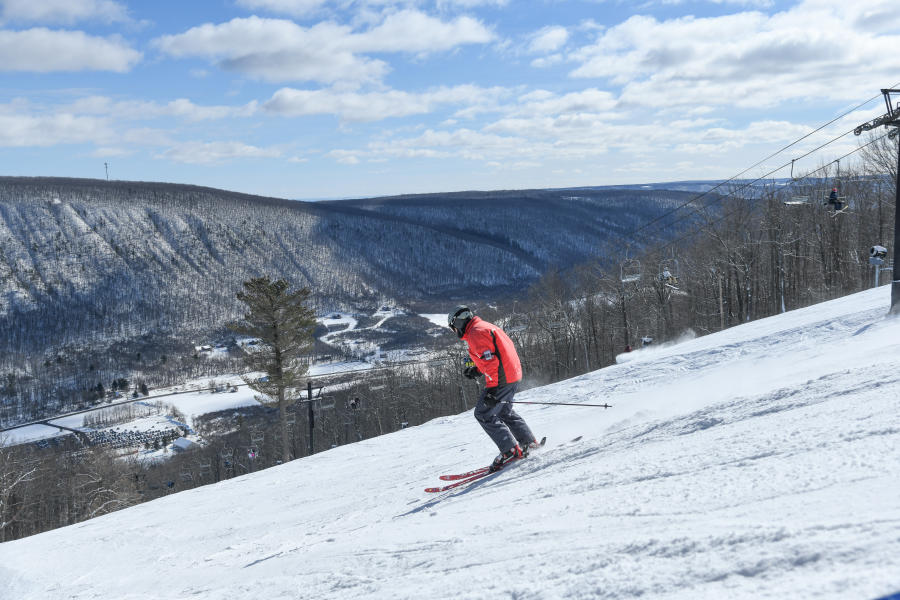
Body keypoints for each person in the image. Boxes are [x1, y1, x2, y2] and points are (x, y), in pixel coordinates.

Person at [448, 305, 540, 472]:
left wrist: (492, 389)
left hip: (502, 379)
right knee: (504, 411)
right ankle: (528, 441)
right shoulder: (483, 326)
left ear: (458, 323)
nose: (455, 332)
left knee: (483, 413)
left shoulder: (476, 333)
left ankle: (510, 450)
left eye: (453, 328)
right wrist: (477, 370)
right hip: (513, 374)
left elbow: (491, 361)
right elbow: (494, 354)